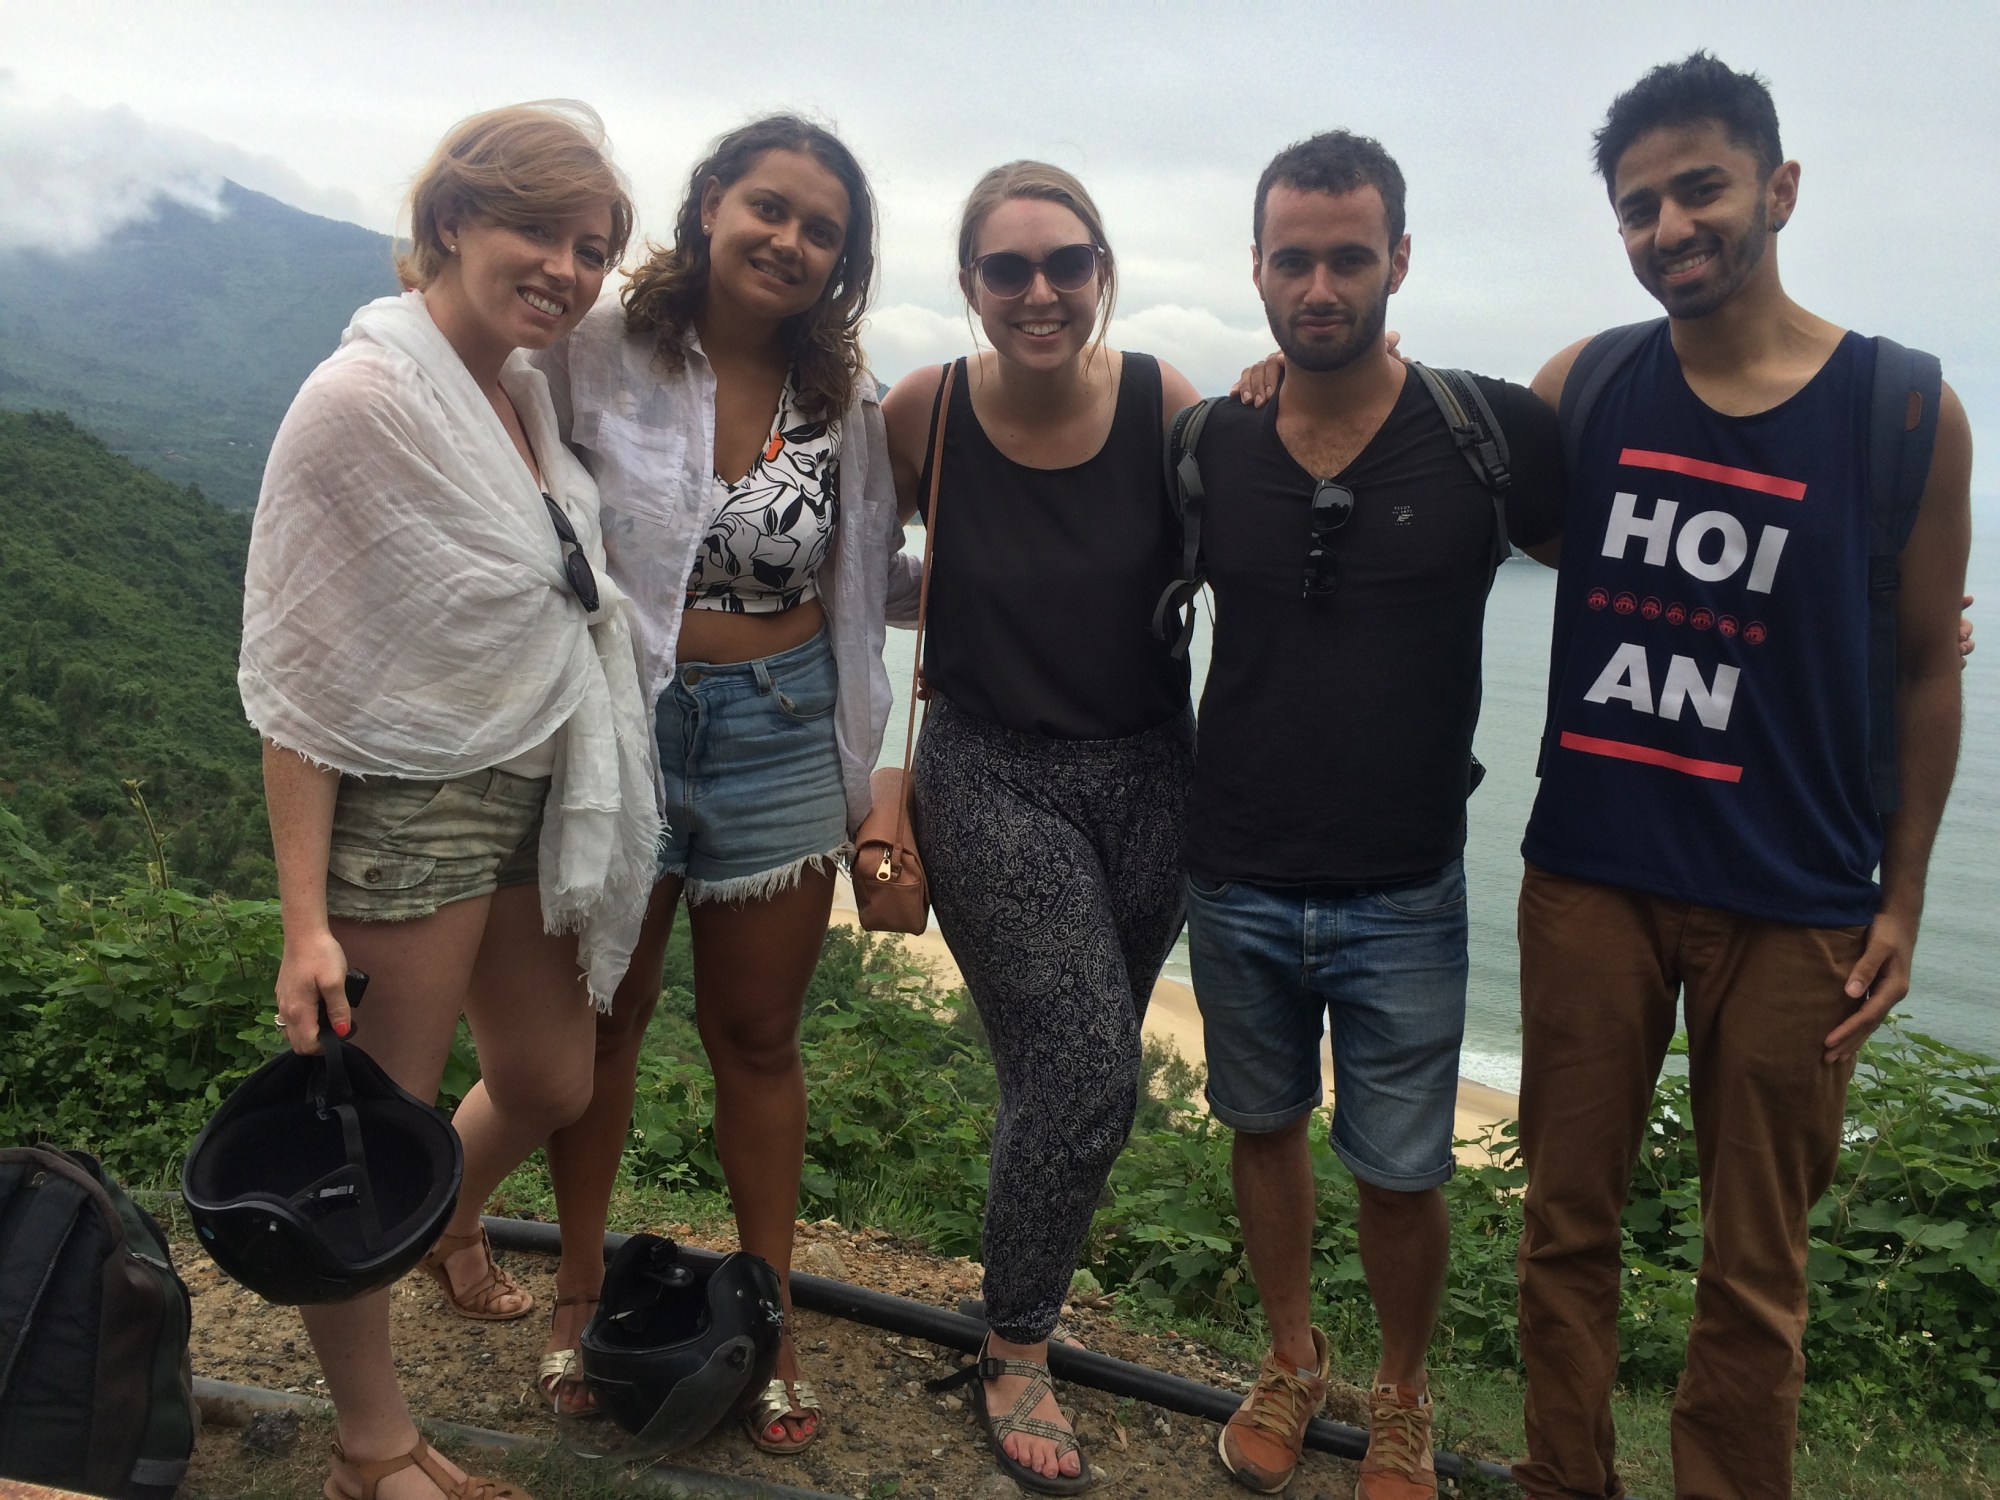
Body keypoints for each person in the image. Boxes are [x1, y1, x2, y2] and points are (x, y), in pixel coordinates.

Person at [1512, 54, 1971, 1500]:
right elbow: (1448, 496)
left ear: (1779, 187)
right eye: (1637, 206)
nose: (1669, 228)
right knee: (1563, 1229)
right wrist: (1288, 379)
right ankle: (1562, 1479)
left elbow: (1927, 666)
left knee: (1757, 1271)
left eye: (1699, 188)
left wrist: (1903, 900)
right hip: (1592, 874)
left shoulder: (1906, 411)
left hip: (1796, 900)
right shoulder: (1586, 385)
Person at [239, 103, 658, 1500]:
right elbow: (297, 677)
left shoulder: (523, 392)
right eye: (539, 230)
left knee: (549, 1077)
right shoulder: (359, 401)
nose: (567, 268)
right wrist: (305, 922)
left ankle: (432, 1226)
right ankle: (372, 1450)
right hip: (409, 804)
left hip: (538, 782)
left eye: (591, 247)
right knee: (367, 1138)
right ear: (453, 219)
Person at [1186, 132, 1566, 1499]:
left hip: (1404, 881)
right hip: (1234, 867)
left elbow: (1631, 559)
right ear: (1256, 267)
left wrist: (1872, 603)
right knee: (1264, 1127)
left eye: (1350, 257)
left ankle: (1401, 1395)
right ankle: (1293, 1359)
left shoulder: (1485, 432)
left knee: (1403, 1174)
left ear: (1399, 260)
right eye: (1293, 259)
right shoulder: (1210, 443)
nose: (1320, 286)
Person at [530, 116, 917, 1450]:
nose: (790, 241)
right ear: (708, 206)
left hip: (780, 727)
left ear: (841, 263)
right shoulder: (593, 352)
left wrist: (1020, 585)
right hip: (619, 724)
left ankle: (772, 1312)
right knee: (605, 1019)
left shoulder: (843, 403)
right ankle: (579, 1291)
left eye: (823, 231)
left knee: (756, 1039)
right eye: (770, 208)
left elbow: (870, 572)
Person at [878, 162, 1200, 1494]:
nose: (1040, 292)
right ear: (970, 285)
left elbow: (1259, 560)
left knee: (1066, 1071)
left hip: (1152, 781)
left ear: (1101, 270)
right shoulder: (926, 410)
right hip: (989, 773)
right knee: (1086, 1070)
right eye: (1007, 270)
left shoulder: (1166, 404)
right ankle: (1016, 1342)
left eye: (1066, 263)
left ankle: (1022, 1271)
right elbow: (849, 568)